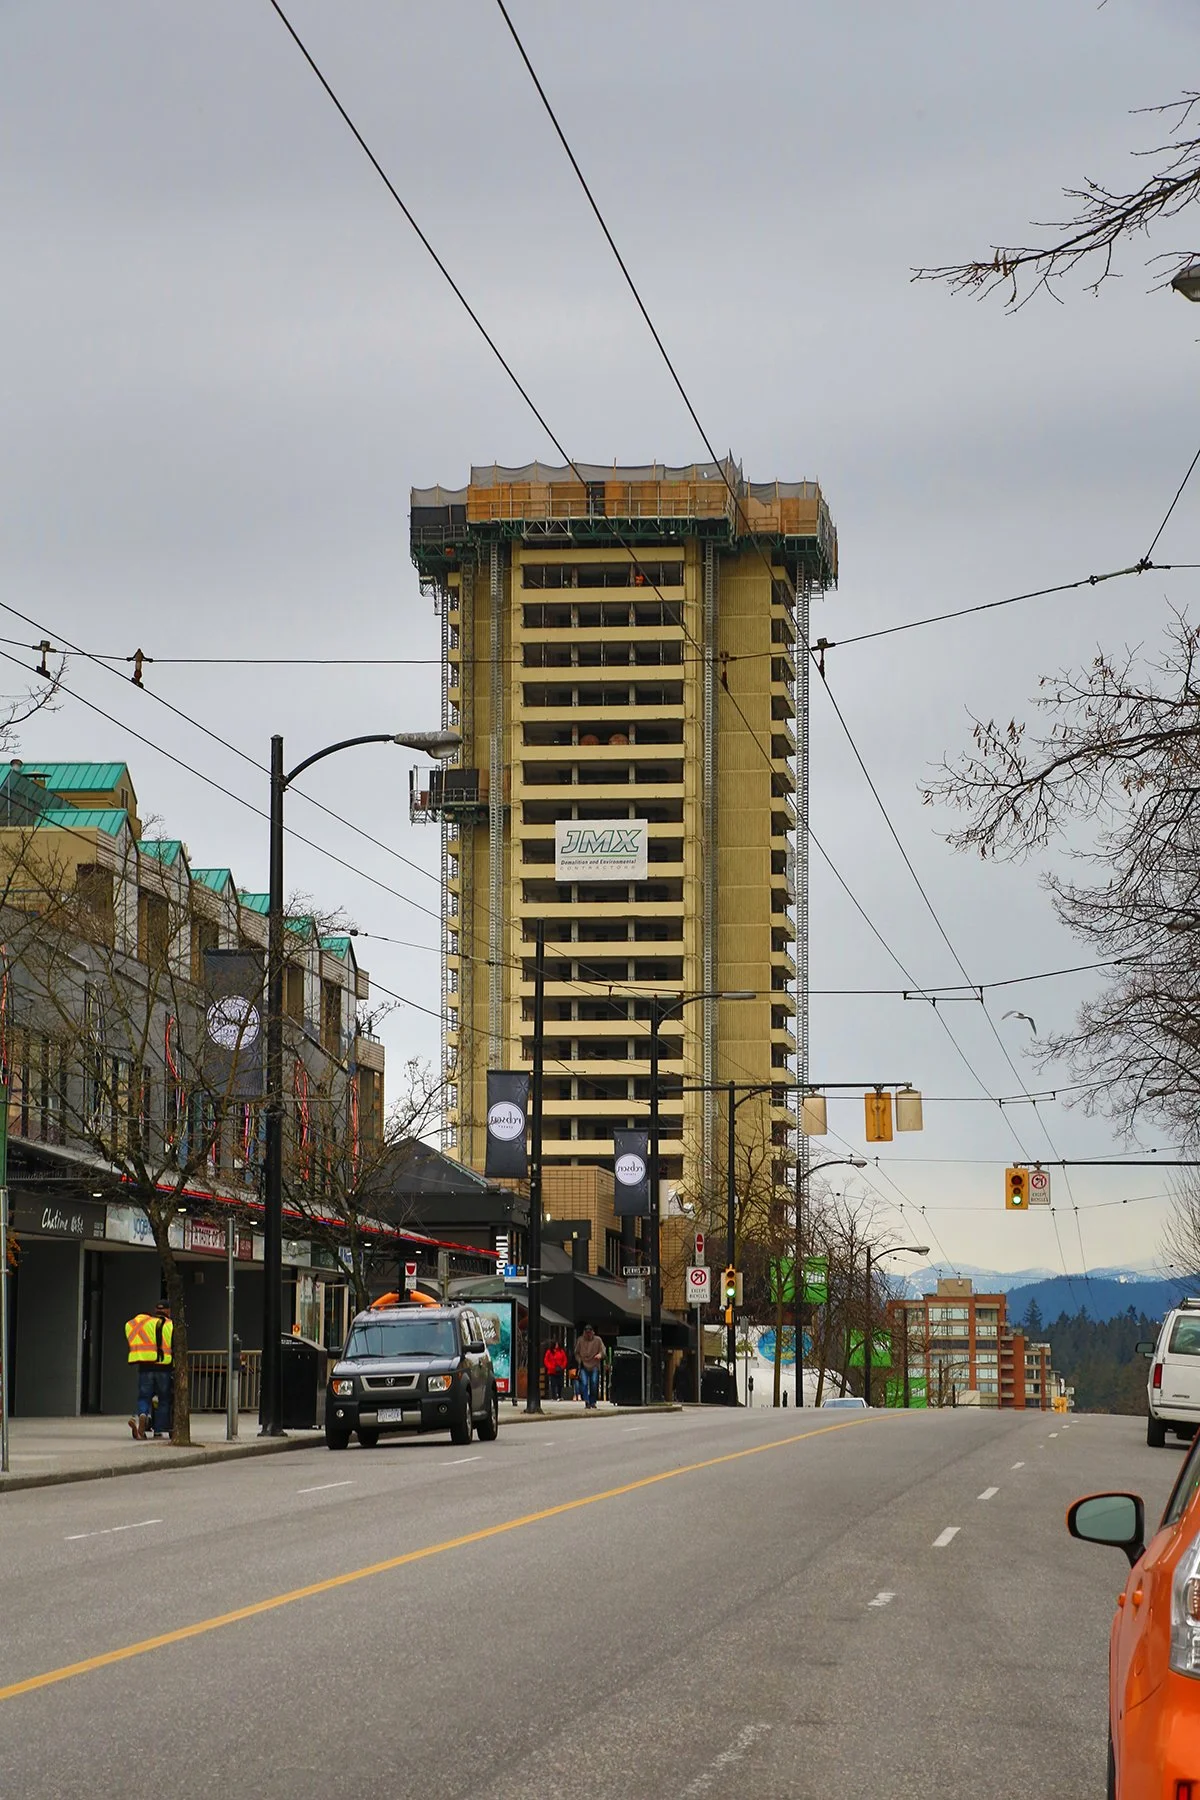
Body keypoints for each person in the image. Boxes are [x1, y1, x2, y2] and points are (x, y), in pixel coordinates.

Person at [125, 1304, 160, 1440]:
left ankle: (141, 1416)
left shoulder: (129, 1325)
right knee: (160, 1397)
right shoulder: (155, 1323)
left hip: (141, 1364)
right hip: (158, 1362)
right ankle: (156, 1426)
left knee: (143, 1396)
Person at [574, 1323, 605, 1410]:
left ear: (592, 1332)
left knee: (594, 1383)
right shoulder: (580, 1340)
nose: (588, 1334)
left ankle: (593, 1401)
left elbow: (603, 1351)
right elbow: (576, 1352)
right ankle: (587, 1401)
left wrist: (600, 1354)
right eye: (586, 1332)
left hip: (594, 1364)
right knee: (584, 1383)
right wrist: (580, 1361)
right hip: (584, 1365)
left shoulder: (598, 1340)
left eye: (589, 1332)